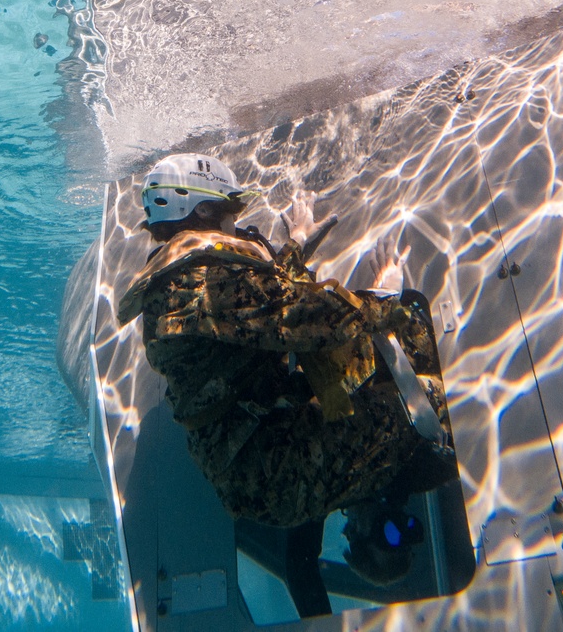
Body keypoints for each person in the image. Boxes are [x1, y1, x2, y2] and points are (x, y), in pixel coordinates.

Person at [116, 153, 459, 595]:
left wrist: (296, 246)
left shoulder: (187, 278)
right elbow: (302, 316)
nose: (236, 226)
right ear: (203, 211)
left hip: (263, 463)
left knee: (380, 390)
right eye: (231, 213)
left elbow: (258, 309)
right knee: (430, 411)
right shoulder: (197, 282)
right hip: (275, 469)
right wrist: (395, 299)